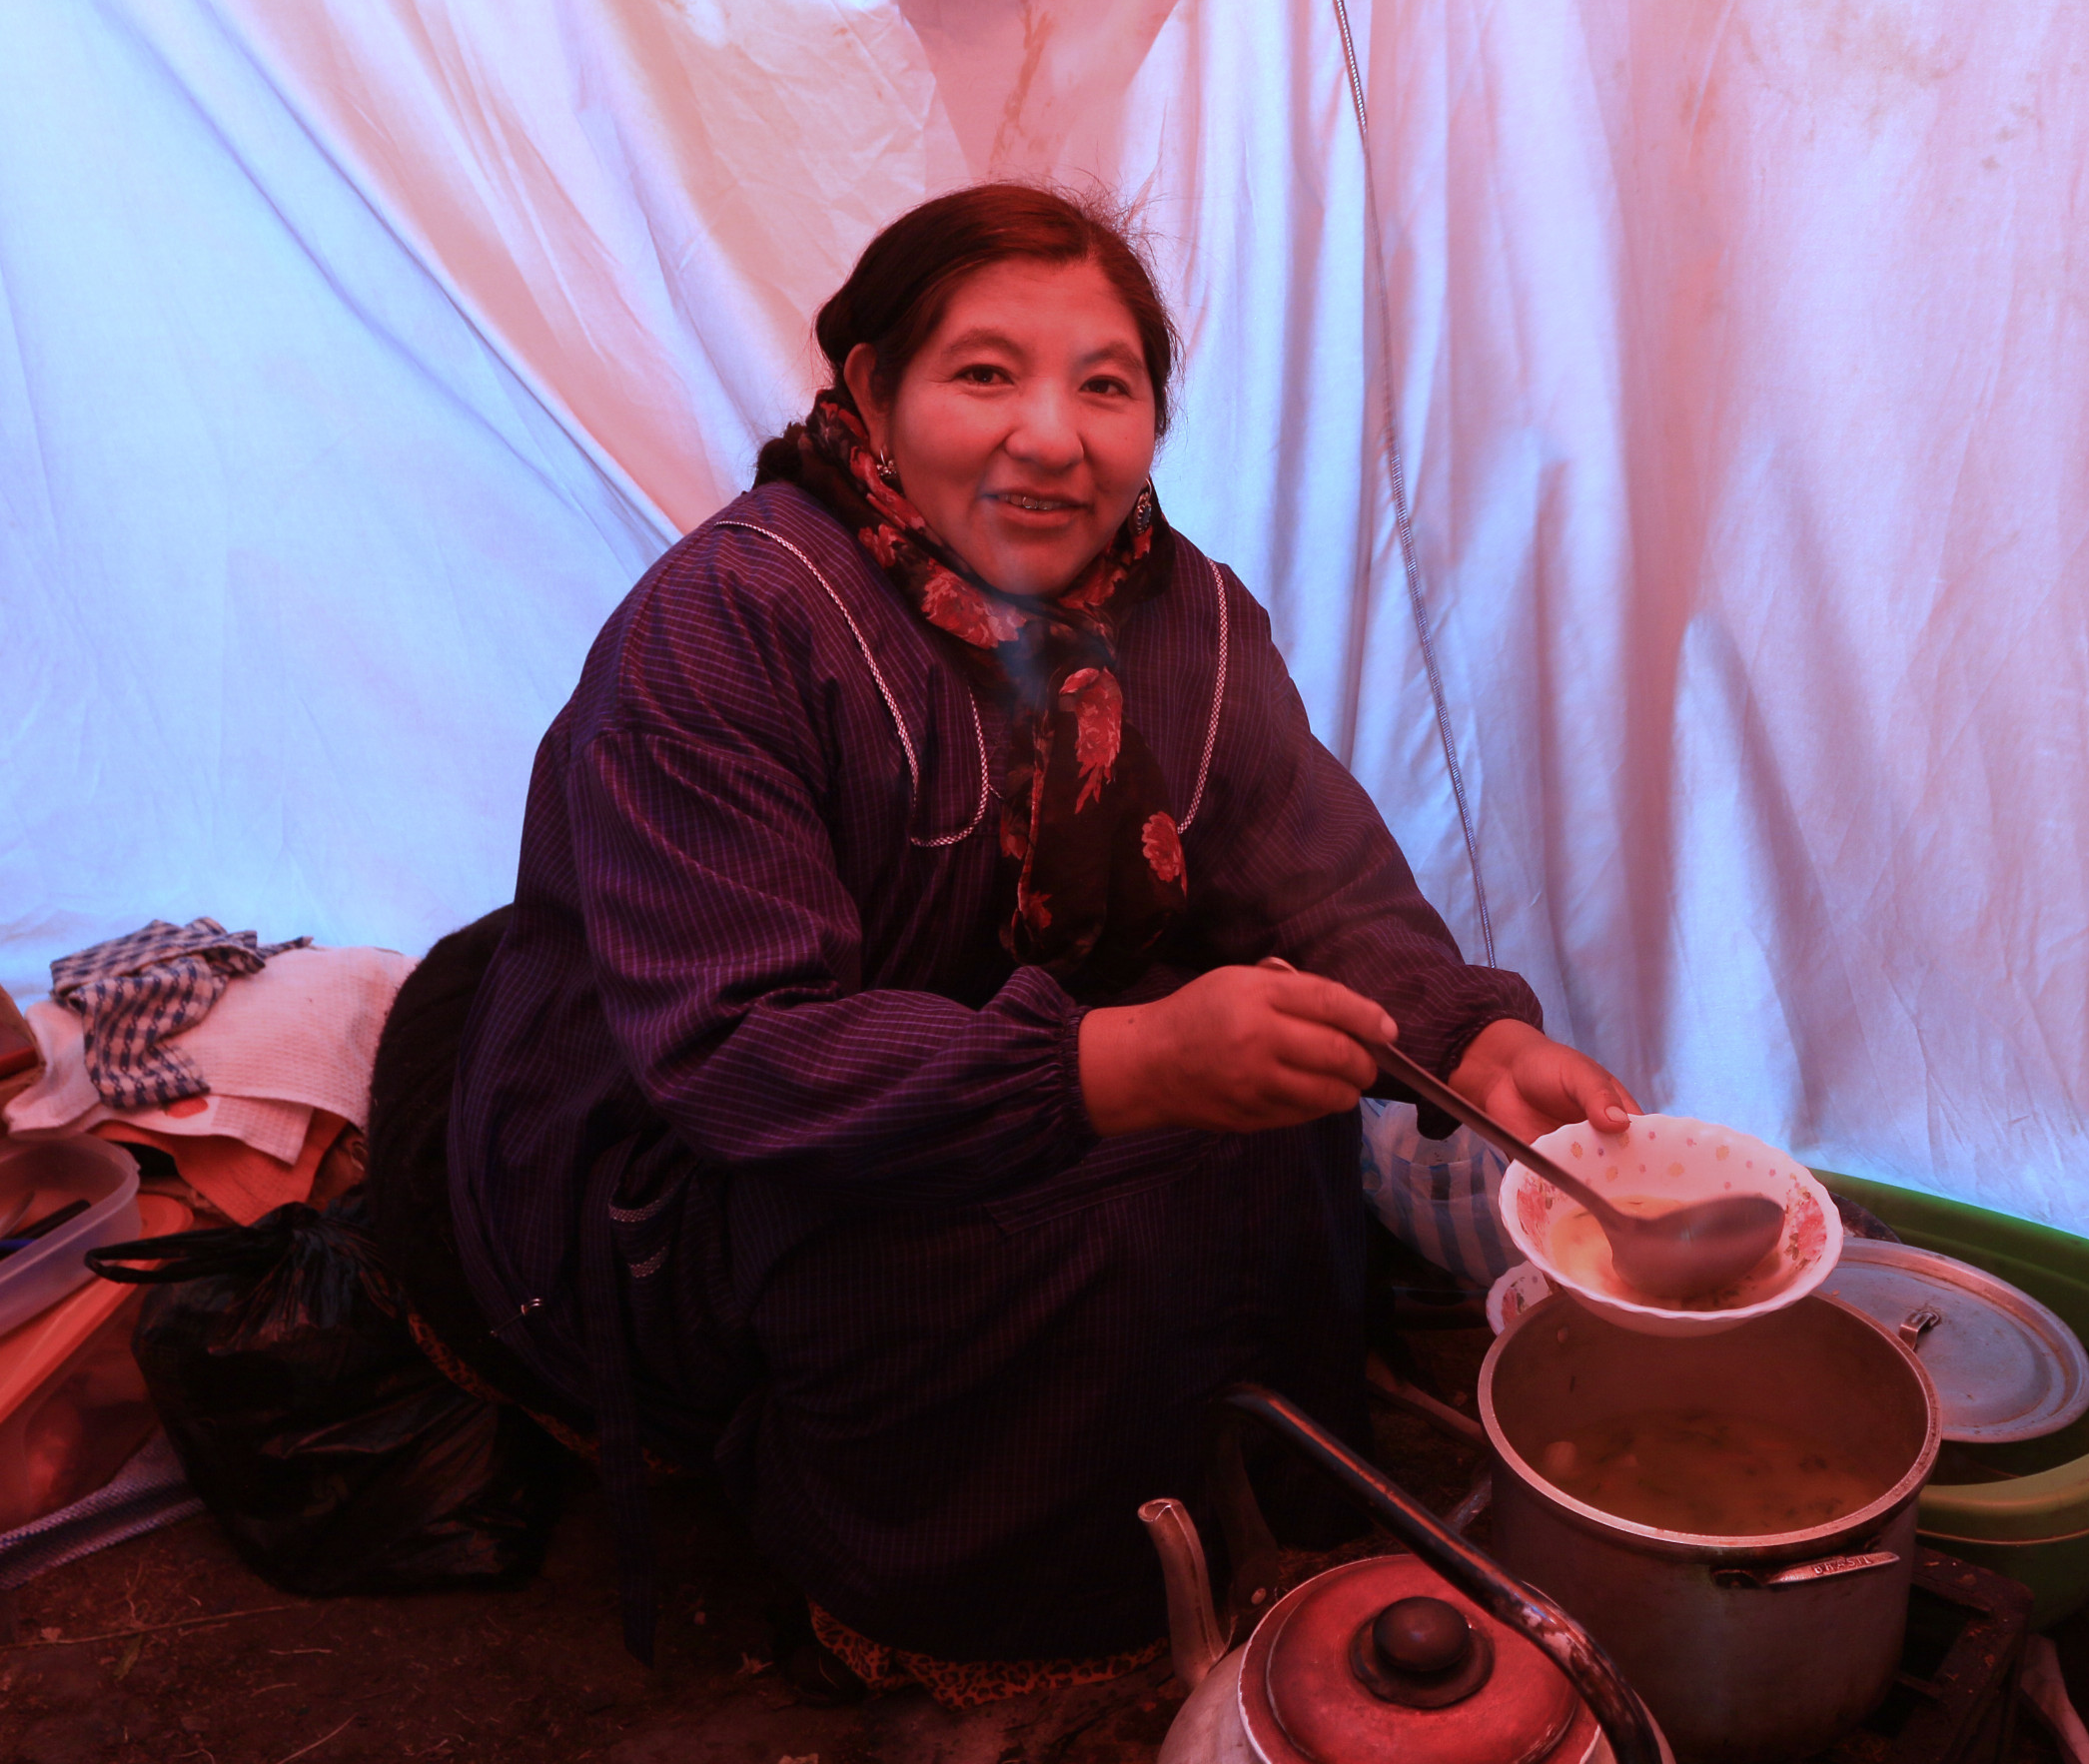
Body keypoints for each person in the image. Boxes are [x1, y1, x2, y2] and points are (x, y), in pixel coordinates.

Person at [442, 184, 1636, 1685]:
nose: (1053, 438)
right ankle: (963, 1608)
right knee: (1031, 1206)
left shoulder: (1183, 614)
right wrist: (1117, 1065)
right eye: (986, 373)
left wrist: (1476, 1040)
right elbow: (738, 1052)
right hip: (669, 1165)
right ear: (873, 391)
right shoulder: (731, 624)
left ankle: (1257, 1481)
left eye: (1107, 385)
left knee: (1280, 1095)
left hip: (990, 1054)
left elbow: (1309, 872)